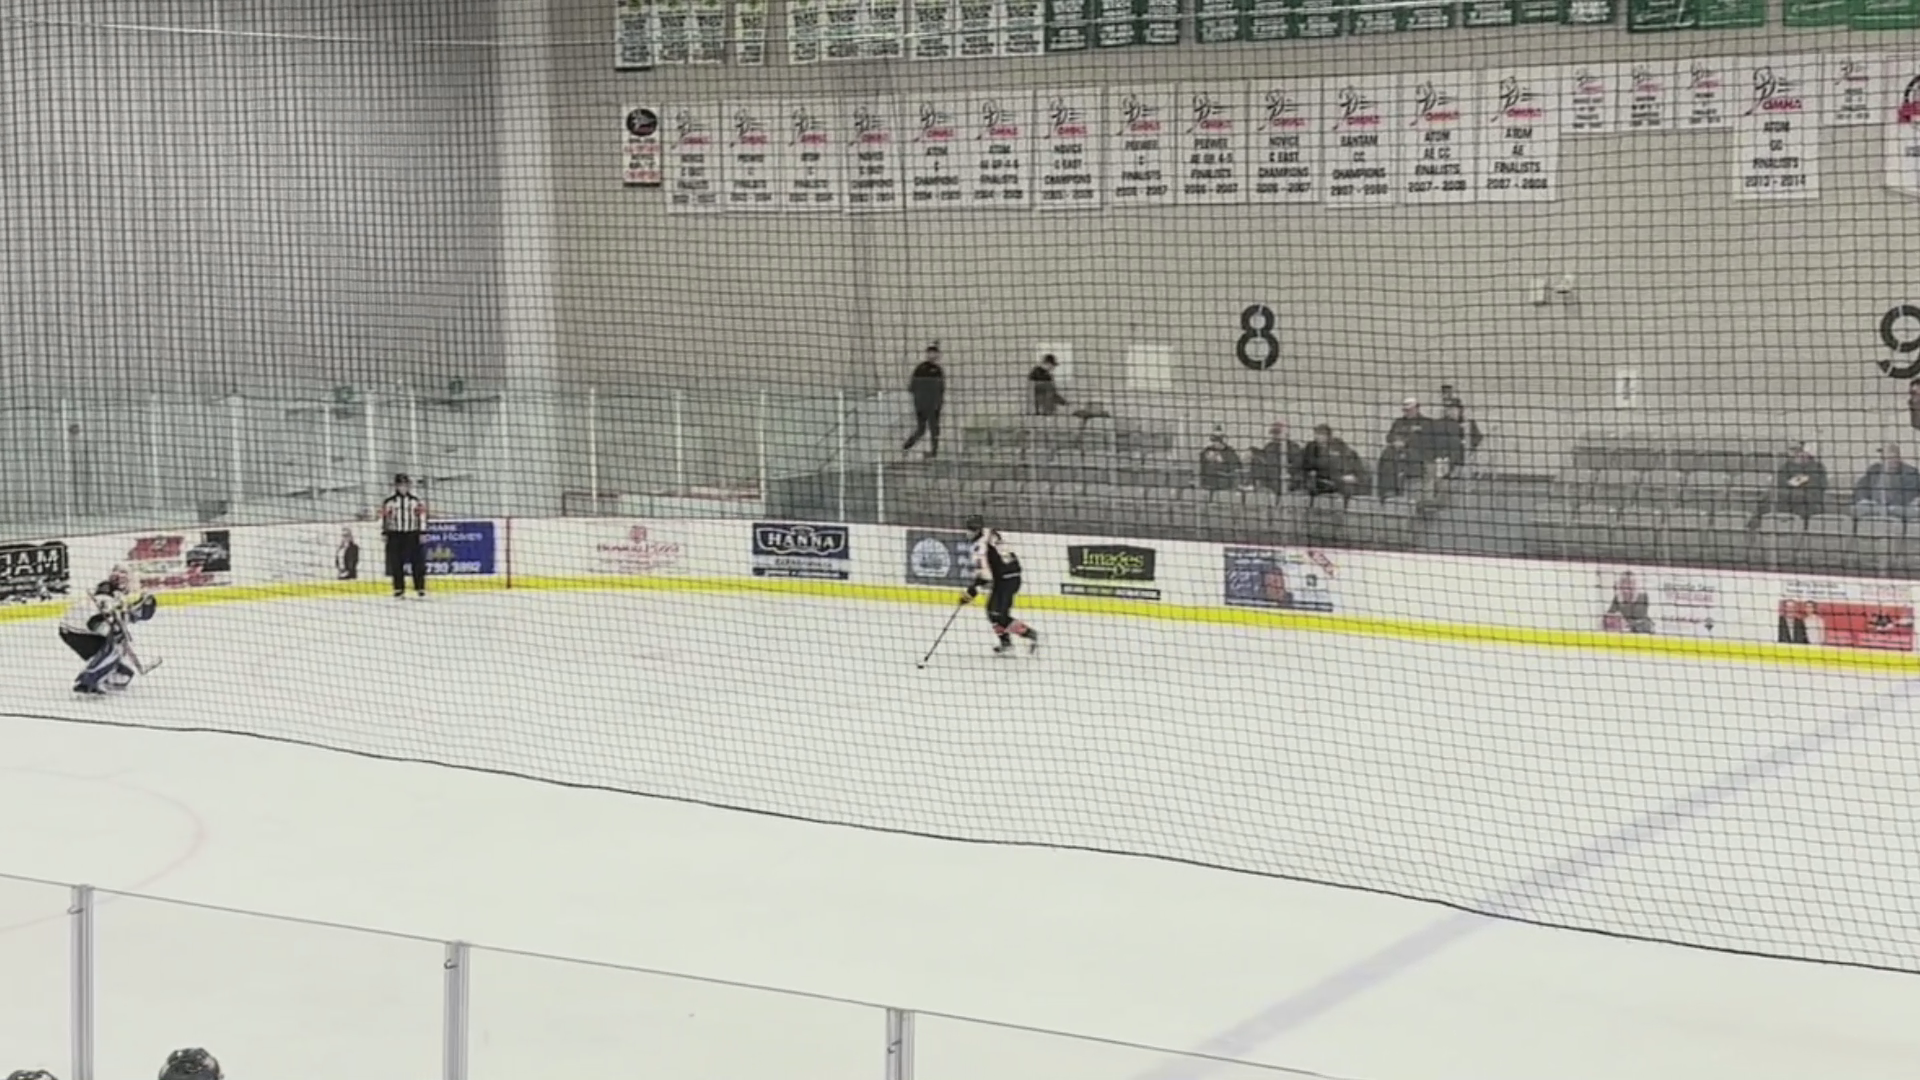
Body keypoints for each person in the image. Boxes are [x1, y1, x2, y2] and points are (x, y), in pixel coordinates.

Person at [57, 565, 157, 695]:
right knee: (116, 648)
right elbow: (95, 622)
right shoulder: (107, 595)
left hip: (78, 631)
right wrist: (113, 631)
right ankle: (86, 682)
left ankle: (97, 675)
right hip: (77, 632)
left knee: (123, 676)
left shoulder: (115, 596)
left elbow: (116, 616)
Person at [960, 514, 1038, 655]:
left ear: (977, 530)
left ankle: (1031, 635)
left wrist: (970, 593)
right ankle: (1006, 643)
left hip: (1004, 581)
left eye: (971, 529)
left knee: (997, 614)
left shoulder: (980, 547)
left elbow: (984, 577)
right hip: (1011, 577)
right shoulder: (991, 533)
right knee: (994, 613)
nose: (968, 532)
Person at [1747, 441, 1827, 527]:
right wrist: (1793, 482)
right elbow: (1780, 481)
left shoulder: (1817, 467)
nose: (1798, 454)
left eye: (1799, 451)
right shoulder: (1787, 466)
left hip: (1808, 498)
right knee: (1768, 496)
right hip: (1787, 496)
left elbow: (1820, 484)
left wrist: (1801, 482)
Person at [380, 473, 430, 598]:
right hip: (395, 534)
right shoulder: (389, 502)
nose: (403, 488)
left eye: (405, 485)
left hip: (412, 534)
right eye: (400, 485)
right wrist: (385, 532)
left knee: (417, 562)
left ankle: (420, 587)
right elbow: (385, 518)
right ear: (396, 486)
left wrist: (422, 532)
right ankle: (399, 588)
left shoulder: (415, 501)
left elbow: (422, 517)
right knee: (396, 563)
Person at [1377, 398, 1432, 499]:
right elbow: (1389, 436)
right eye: (1405, 410)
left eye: (1409, 410)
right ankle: (1388, 490)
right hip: (1397, 451)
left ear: (1417, 408)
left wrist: (1406, 442)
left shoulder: (1426, 423)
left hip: (1417, 453)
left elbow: (1426, 440)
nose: (1407, 412)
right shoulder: (1399, 422)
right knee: (1386, 455)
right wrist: (1396, 441)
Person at [1850, 444, 1920, 521]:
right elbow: (1861, 487)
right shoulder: (1874, 469)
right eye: (1886, 458)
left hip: (1900, 508)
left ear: (1898, 458)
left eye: (1893, 457)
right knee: (1856, 508)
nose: (1890, 461)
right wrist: (1864, 499)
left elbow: (1909, 496)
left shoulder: (1910, 472)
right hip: (1876, 506)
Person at [1301, 424, 1369, 503]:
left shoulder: (1339, 446)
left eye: (1321, 434)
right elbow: (1309, 465)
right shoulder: (1311, 447)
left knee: (1348, 486)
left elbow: (1350, 459)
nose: (1318, 437)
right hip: (1320, 480)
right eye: (1317, 434)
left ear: (1328, 436)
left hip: (1339, 480)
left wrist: (1352, 476)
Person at [903, 343, 946, 459]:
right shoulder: (920, 369)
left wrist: (939, 404)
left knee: (934, 430)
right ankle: (907, 446)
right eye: (930, 353)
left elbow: (941, 389)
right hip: (922, 405)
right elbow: (912, 387)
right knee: (921, 429)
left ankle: (934, 454)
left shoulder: (938, 371)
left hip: (934, 406)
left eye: (935, 353)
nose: (932, 356)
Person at [1249, 422, 1303, 496]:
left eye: (1277, 433)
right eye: (1273, 433)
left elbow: (1297, 464)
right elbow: (1263, 458)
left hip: (1285, 481)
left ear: (1285, 434)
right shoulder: (1269, 446)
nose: (1274, 436)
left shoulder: (1293, 448)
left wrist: (1290, 474)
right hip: (1269, 480)